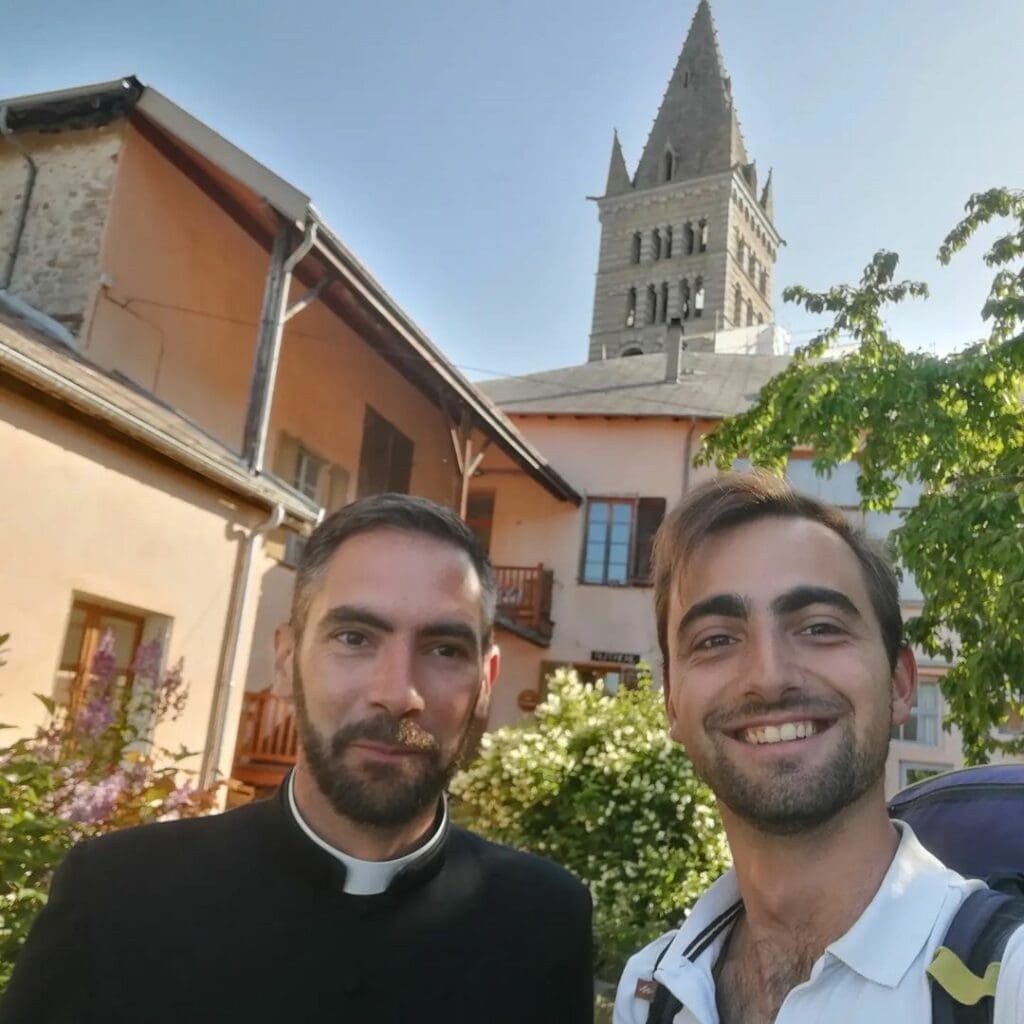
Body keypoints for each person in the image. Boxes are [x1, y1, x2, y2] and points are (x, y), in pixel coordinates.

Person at [3, 494, 594, 1024]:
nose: (397, 692)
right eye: (355, 638)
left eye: (444, 648)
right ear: (285, 661)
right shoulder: (116, 897)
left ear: (485, 682)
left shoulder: (545, 918)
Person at [614, 472, 1024, 1024]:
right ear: (670, 704)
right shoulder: (651, 989)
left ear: (900, 684)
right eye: (715, 639)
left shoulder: (1006, 980)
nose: (769, 676)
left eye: (819, 627)